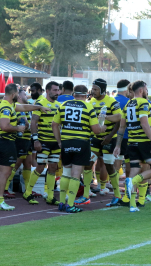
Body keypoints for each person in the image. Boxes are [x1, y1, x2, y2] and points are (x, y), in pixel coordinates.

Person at [0, 83, 51, 211]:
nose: (18, 95)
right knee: (5, 172)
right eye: (17, 93)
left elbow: (23, 107)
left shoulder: (8, 104)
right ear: (13, 94)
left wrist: (38, 107)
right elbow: (4, 126)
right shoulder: (6, 107)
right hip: (5, 142)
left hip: (1, 142)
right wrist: (18, 128)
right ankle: (0, 200)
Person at [52, 85, 105, 213]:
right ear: (86, 94)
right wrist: (102, 127)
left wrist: (60, 141)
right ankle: (70, 204)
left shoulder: (63, 104)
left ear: (74, 93)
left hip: (66, 142)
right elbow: (96, 130)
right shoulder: (88, 106)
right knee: (76, 175)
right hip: (81, 143)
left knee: (65, 173)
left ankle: (61, 202)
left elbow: (54, 124)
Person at [113, 80, 151, 212]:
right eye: (146, 89)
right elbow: (145, 123)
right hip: (144, 142)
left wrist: (118, 145)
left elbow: (122, 127)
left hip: (131, 143)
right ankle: (134, 182)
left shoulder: (128, 104)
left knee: (134, 169)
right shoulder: (144, 103)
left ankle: (133, 205)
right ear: (141, 90)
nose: (146, 91)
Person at [83, 78, 122, 206]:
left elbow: (119, 118)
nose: (92, 91)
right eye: (92, 88)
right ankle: (86, 194)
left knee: (109, 164)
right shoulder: (91, 102)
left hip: (109, 138)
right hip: (95, 138)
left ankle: (117, 195)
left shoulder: (112, 101)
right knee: (88, 162)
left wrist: (110, 136)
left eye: (95, 89)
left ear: (102, 90)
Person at [23, 81, 61, 205]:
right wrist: (36, 140)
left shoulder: (59, 105)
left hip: (55, 142)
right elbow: (33, 123)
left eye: (58, 90)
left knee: (53, 168)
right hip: (43, 141)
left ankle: (50, 195)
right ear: (48, 91)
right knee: (40, 167)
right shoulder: (40, 103)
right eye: (55, 90)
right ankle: (28, 192)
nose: (57, 92)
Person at [3, 89, 37, 202]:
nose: (26, 95)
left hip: (27, 139)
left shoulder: (25, 107)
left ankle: (27, 190)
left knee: (27, 164)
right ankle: (5, 188)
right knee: (16, 164)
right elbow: (24, 123)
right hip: (21, 139)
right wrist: (27, 125)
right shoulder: (17, 107)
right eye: (24, 94)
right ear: (19, 97)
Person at [113, 79, 130, 177]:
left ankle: (105, 183)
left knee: (107, 160)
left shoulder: (110, 100)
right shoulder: (129, 102)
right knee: (126, 161)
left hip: (109, 135)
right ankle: (128, 186)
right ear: (127, 89)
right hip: (125, 135)